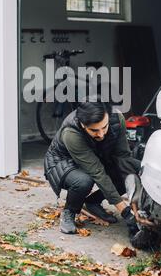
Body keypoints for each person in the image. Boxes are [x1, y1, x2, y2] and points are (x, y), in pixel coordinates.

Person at [44, 99, 141, 236]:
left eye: (105, 127)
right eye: (94, 130)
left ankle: (92, 202)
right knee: (84, 181)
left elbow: (123, 157)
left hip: (95, 156)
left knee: (134, 167)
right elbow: (97, 172)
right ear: (83, 125)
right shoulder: (71, 133)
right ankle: (69, 211)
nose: (101, 134)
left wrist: (133, 202)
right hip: (61, 162)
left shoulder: (117, 119)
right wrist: (125, 212)